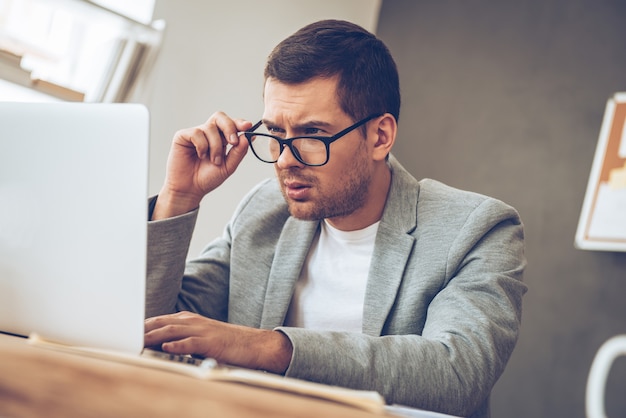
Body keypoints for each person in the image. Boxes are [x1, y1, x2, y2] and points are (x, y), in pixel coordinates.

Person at [143, 19, 527, 418]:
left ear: (380, 136)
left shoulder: (478, 229)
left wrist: (268, 346)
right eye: (275, 131)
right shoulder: (264, 211)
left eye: (312, 134)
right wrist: (179, 197)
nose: (286, 159)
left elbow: (455, 375)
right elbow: (153, 326)